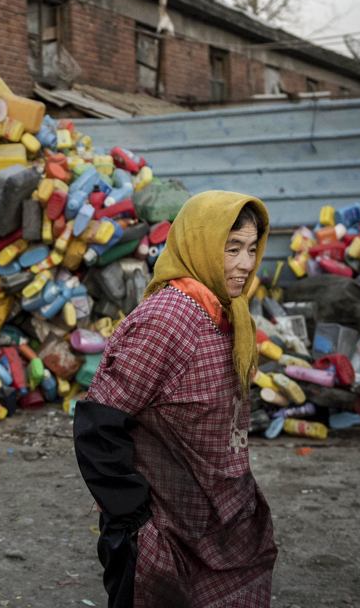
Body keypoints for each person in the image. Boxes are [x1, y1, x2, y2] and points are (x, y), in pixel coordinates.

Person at [74, 191, 278, 608]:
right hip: (166, 534)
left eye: (252, 249)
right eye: (232, 248)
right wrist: (133, 520)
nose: (245, 264)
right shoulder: (167, 319)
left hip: (221, 519)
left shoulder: (229, 312)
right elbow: (99, 426)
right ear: (198, 244)